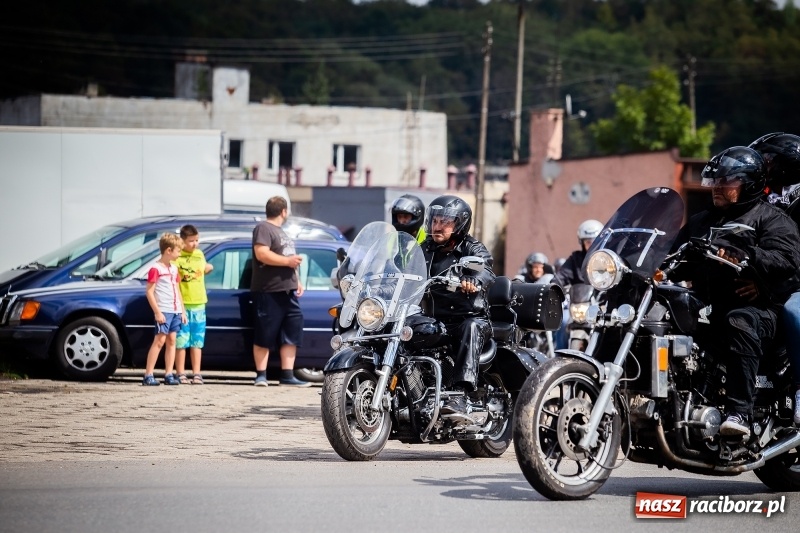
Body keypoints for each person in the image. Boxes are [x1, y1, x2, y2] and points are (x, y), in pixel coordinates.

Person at [670, 146, 800, 437]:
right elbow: (675, 256)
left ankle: (739, 413)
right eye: (715, 181)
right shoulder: (701, 221)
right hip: (709, 305)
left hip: (760, 309)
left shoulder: (772, 219)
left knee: (739, 321)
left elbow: (788, 262)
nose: (718, 187)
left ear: (750, 183)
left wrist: (750, 258)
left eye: (727, 182)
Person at [420, 195, 495, 415]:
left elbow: (487, 270)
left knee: (470, 327)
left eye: (445, 221)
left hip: (470, 318)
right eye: (435, 221)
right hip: (435, 320)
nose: (438, 226)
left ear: (460, 224)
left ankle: (461, 395)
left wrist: (474, 280)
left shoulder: (473, 248)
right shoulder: (424, 250)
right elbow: (404, 268)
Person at [749, 132, 800, 424]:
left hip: (792, 285)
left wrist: (767, 284)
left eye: (766, 160)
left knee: (795, 312)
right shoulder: (760, 198)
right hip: (769, 280)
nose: (761, 165)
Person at [251, 196, 309, 387]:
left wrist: (297, 280)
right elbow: (262, 254)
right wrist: (288, 262)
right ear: (283, 211)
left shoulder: (281, 231)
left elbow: (288, 258)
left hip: (288, 292)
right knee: (264, 333)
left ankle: (287, 374)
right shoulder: (263, 228)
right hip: (269, 291)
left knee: (291, 332)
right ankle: (261, 375)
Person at [552, 219, 603, 350]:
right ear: (582, 243)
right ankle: (560, 357)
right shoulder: (575, 259)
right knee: (563, 323)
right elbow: (561, 276)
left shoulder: (607, 258)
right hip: (581, 308)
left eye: (594, 241)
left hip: (603, 307)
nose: (591, 244)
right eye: (588, 242)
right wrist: (553, 286)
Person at [143, 233, 187, 386]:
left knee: (172, 340)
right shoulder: (156, 269)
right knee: (159, 340)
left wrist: (182, 310)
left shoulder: (174, 269)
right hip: (164, 310)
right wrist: (157, 311)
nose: (179, 254)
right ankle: (148, 374)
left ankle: (169, 373)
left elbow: (177, 289)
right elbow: (149, 291)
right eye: (178, 251)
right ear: (169, 250)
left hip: (174, 310)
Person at [174, 225, 214, 385]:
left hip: (199, 304)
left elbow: (203, 268)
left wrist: (208, 268)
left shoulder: (199, 255)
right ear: (182, 241)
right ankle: (180, 373)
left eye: (197, 240)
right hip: (183, 305)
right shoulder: (177, 258)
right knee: (181, 341)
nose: (195, 244)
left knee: (197, 341)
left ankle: (197, 373)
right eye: (191, 241)